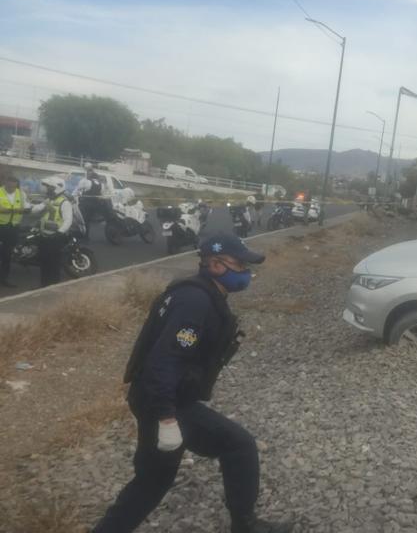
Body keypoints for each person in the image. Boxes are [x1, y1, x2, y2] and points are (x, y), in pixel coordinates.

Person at [93, 233, 292, 533]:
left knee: (161, 476)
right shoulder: (195, 302)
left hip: (164, 397)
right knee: (226, 450)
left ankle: (244, 523)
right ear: (214, 264)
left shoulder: (201, 293)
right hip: (163, 401)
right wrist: (167, 418)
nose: (246, 271)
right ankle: (245, 525)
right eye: (239, 263)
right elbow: (164, 362)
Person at [29, 176, 74, 287]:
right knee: (44, 262)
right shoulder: (49, 200)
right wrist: (27, 207)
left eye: (49, 187)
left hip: (55, 238)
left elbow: (68, 220)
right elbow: (37, 209)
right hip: (44, 235)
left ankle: (53, 286)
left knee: (53, 263)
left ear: (57, 188)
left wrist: (59, 233)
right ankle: (44, 285)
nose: (47, 189)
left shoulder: (64, 202)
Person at [0, 174, 30, 287]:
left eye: (14, 185)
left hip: (13, 227)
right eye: (9, 184)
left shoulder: (21, 194)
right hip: (0, 225)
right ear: (5, 182)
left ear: (17, 185)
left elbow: (27, 207)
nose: (11, 187)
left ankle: (3, 278)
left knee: (7, 254)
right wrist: (17, 210)